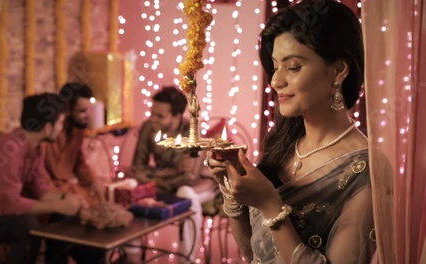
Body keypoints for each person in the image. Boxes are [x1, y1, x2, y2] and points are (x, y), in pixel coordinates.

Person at [205, 1, 376, 263]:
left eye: (293, 67)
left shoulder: (365, 170)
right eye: (275, 66)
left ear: (339, 70)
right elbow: (250, 252)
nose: (275, 81)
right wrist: (232, 188)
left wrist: (271, 205)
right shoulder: (285, 142)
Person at [0, 93, 88, 264]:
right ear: (48, 127)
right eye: (61, 123)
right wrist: (59, 205)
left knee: (61, 216)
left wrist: (68, 200)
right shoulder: (9, 150)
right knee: (25, 224)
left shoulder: (34, 147)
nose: (61, 128)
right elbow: (11, 204)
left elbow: (40, 190)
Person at [131, 86, 216, 261]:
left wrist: (154, 177)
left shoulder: (192, 132)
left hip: (200, 186)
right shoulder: (149, 127)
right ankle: (130, 257)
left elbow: (190, 177)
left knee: (186, 194)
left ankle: (187, 260)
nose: (152, 119)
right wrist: (173, 171)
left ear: (177, 116)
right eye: (152, 113)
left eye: (159, 116)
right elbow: (137, 167)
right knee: (129, 189)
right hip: (165, 185)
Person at [42, 82, 107, 263]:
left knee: (98, 212)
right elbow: (40, 178)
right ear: (67, 110)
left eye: (88, 110)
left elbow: (80, 164)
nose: (87, 116)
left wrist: (94, 181)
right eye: (82, 111)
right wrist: (65, 196)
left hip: (67, 191)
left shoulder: (77, 131)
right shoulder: (49, 132)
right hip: (48, 197)